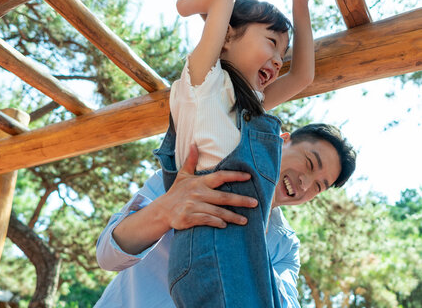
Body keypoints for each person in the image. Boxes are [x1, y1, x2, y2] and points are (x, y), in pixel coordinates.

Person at [148, 0, 313, 306]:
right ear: (225, 36)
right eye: (271, 42)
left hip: (239, 250)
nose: (277, 60)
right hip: (210, 246)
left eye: (282, 55)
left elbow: (302, 76)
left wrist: (302, 2)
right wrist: (191, 6)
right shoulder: (204, 83)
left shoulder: (247, 106)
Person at [95, 123, 356, 308]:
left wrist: (256, 227)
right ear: (282, 141)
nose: (305, 184)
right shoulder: (194, 177)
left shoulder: (285, 247)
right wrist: (166, 209)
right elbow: (107, 255)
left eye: (319, 186)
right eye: (310, 163)